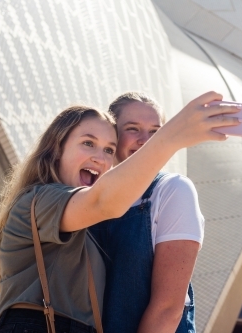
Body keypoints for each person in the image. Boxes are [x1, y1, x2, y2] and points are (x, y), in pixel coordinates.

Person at [0, 92, 242, 333]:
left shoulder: (93, 214)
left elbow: (168, 307)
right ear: (56, 149)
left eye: (108, 149)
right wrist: (171, 138)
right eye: (88, 143)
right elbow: (104, 202)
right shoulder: (40, 201)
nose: (100, 157)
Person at [89, 92, 204, 333]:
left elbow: (167, 309)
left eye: (155, 132)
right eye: (133, 129)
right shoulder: (87, 198)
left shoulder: (172, 190)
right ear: (112, 135)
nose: (146, 140)